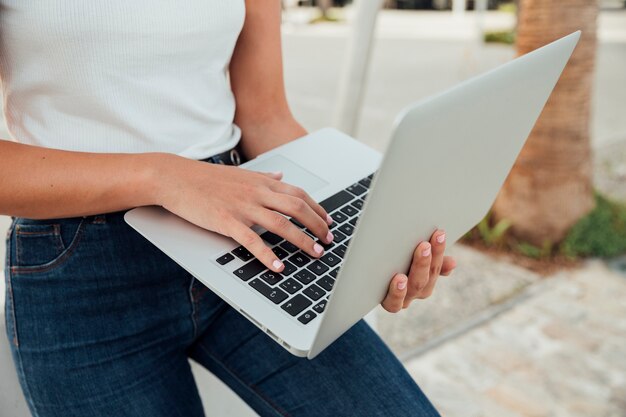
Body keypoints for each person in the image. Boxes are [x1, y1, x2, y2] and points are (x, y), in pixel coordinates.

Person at [0, 1, 456, 416]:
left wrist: (367, 221)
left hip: (250, 236)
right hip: (83, 274)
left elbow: (264, 115)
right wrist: (164, 176)